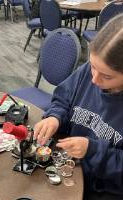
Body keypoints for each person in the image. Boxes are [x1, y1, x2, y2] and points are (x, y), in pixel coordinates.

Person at [34, 14, 123, 200]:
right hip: (70, 169)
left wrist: (93, 151)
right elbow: (63, 99)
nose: (94, 80)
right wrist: (55, 117)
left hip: (104, 189)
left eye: (107, 77)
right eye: (92, 66)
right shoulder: (90, 72)